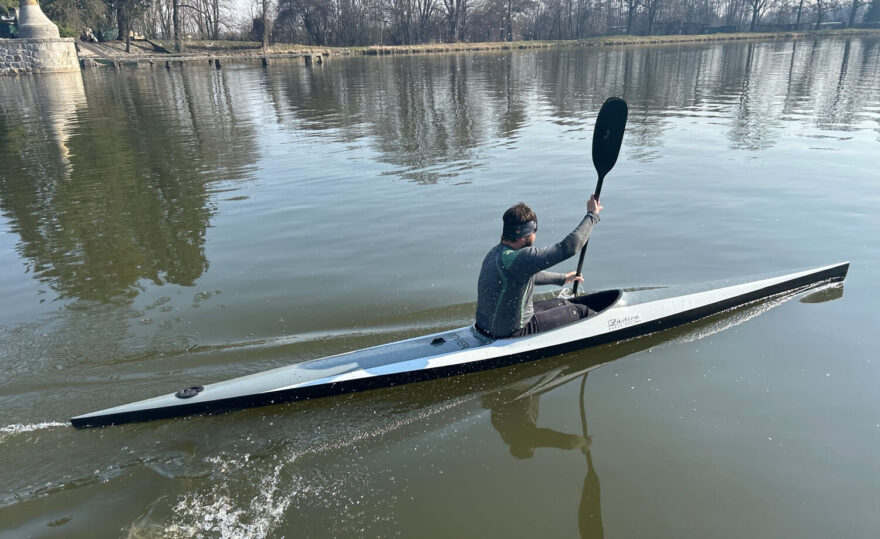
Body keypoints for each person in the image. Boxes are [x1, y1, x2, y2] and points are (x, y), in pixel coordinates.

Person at [475, 195, 602, 338]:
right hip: (512, 332)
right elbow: (569, 248)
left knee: (562, 302)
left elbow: (529, 274)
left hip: (484, 327)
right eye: (534, 231)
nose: (535, 236)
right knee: (580, 311)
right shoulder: (523, 257)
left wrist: (563, 278)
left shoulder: (496, 253)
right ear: (524, 234)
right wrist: (592, 215)